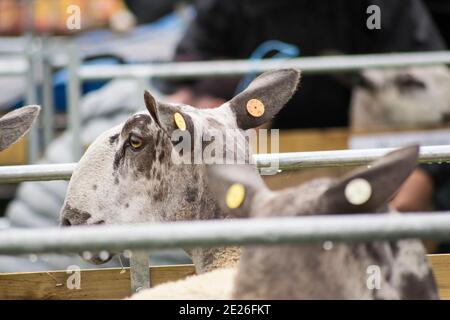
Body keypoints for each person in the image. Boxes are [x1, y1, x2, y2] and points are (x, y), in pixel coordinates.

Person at [160, 0, 445, 129]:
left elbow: (435, 83)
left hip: (372, 151)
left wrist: (427, 173)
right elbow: (186, 73)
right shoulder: (226, 7)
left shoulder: (379, 8)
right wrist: (228, 102)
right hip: (257, 161)